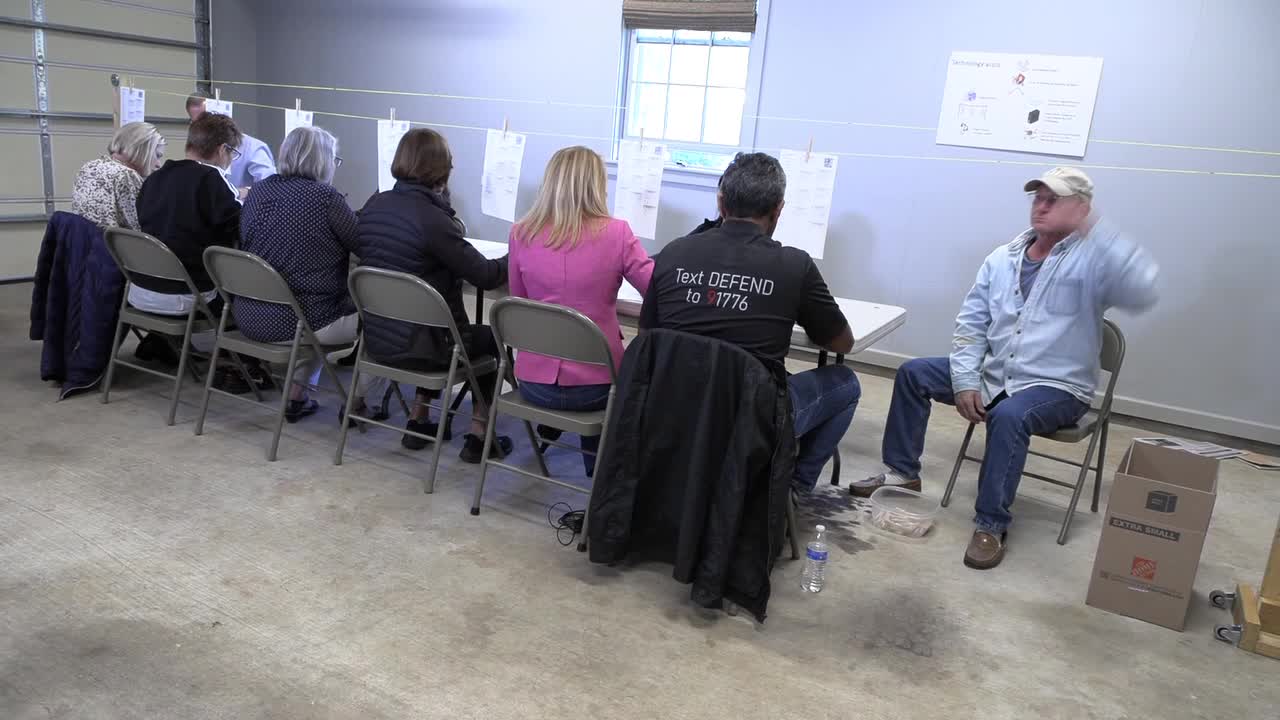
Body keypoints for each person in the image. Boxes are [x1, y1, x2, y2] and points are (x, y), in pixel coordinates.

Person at [849, 167, 1159, 570]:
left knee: (1009, 414)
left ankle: (991, 523)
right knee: (913, 373)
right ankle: (902, 473)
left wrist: (1095, 229)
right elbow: (972, 325)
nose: (1042, 206)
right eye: (1038, 198)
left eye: (1054, 200)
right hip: (997, 374)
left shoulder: (1093, 261)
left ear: (1080, 209)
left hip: (1057, 387)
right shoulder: (1003, 258)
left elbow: (1143, 287)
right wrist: (963, 381)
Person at [639, 152, 859, 493]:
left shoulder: (673, 253)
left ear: (721, 203)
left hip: (673, 409)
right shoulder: (793, 266)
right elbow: (842, 344)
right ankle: (790, 491)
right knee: (846, 383)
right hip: (751, 421)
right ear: (778, 209)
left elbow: (646, 337)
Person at [356, 128, 510, 463]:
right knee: (490, 339)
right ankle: (479, 432)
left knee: (430, 321)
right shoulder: (433, 220)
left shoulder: (374, 204)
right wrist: (518, 257)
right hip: (426, 348)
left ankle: (419, 417)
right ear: (442, 170)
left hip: (379, 341)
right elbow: (485, 275)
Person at [507, 146, 654, 475]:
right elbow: (656, 290)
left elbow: (519, 305)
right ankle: (598, 472)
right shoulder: (617, 233)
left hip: (532, 383)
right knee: (634, 377)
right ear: (596, 185)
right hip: (597, 388)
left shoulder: (521, 233)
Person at [233, 126, 369, 422]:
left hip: (249, 314)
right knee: (374, 311)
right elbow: (364, 245)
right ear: (322, 160)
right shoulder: (326, 198)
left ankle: (298, 395)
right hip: (300, 321)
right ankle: (359, 402)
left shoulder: (259, 191)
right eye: (334, 158)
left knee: (304, 299)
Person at [71, 121, 166, 231]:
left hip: (83, 243)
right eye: (157, 155)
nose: (159, 164)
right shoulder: (126, 176)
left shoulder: (89, 167)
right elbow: (138, 229)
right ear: (142, 150)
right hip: (109, 245)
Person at [186, 94, 275, 196]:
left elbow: (270, 187)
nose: (202, 129)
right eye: (196, 123)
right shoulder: (195, 148)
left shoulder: (253, 148)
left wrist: (239, 192)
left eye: (207, 122)